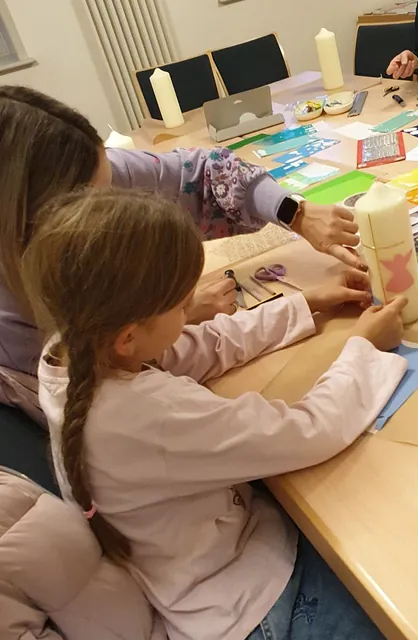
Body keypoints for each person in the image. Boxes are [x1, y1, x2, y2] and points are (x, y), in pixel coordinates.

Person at [25, 188, 409, 640]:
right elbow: (309, 431)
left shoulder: (75, 350)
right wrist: (363, 347)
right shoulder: (146, 415)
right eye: (182, 306)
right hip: (252, 607)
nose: (192, 313)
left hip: (223, 564)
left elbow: (206, 343)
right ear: (129, 336)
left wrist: (306, 303)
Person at [0, 86, 363, 421]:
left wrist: (293, 215)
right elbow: (296, 432)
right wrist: (175, 315)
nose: (116, 202)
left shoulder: (123, 356)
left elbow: (207, 171)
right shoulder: (115, 400)